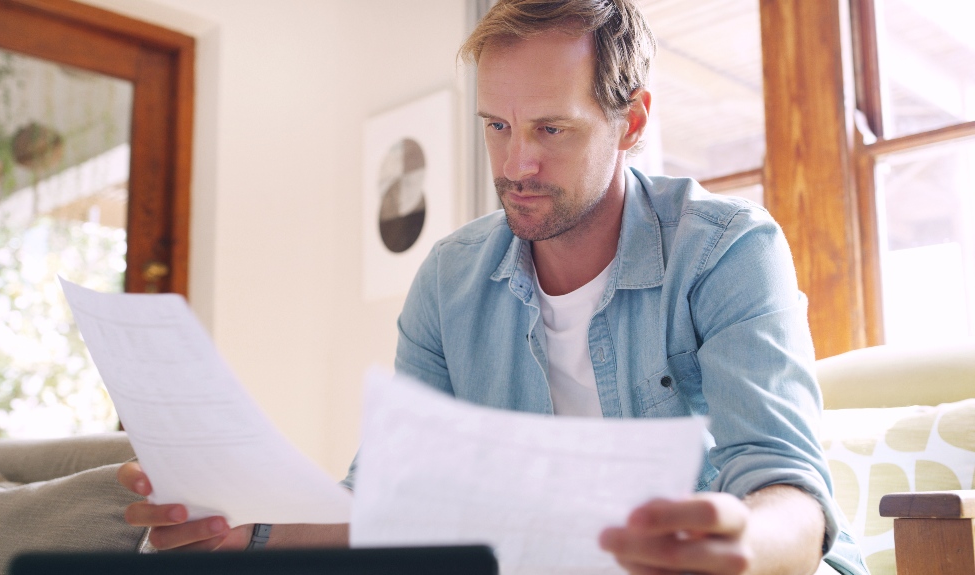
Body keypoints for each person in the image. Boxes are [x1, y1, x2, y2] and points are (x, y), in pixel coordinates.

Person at [119, 1, 868, 572]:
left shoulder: (727, 250)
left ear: (631, 119)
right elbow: (390, 501)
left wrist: (738, 541)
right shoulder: (449, 280)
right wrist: (242, 533)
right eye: (497, 127)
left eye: (551, 129)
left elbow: (792, 495)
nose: (516, 165)